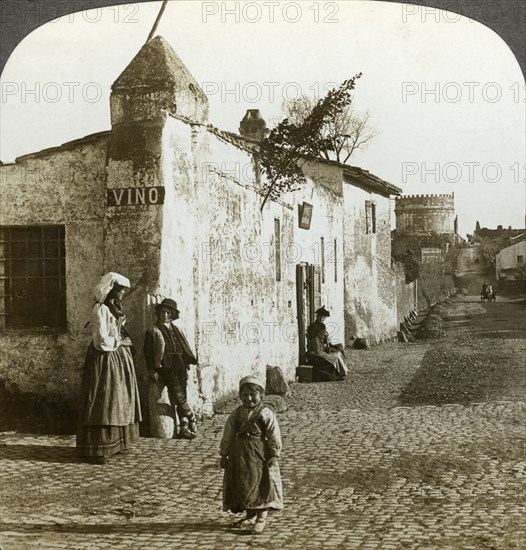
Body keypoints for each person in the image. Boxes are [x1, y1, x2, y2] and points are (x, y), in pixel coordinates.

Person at [76, 272, 142, 464]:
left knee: (118, 398)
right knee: (103, 399)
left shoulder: (115, 308)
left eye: (122, 289)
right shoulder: (100, 309)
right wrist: (120, 342)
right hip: (104, 358)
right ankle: (97, 447)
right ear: (111, 289)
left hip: (118, 358)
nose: (122, 292)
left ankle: (117, 443)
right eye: (119, 289)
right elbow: (100, 341)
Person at [220, 375, 283, 535]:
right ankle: (250, 515)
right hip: (239, 455)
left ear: (261, 395)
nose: (249, 398)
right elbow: (228, 434)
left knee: (261, 484)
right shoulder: (236, 414)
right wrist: (224, 454)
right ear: (240, 395)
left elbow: (273, 433)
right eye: (245, 395)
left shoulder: (265, 413)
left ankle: (261, 519)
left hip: (258, 454)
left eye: (253, 395)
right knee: (244, 484)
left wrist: (274, 453)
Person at [143, 298, 198, 439]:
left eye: (168, 312)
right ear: (158, 313)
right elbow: (148, 352)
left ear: (173, 314)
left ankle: (184, 427)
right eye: (163, 312)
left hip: (179, 365)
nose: (165, 315)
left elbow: (183, 347)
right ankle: (191, 416)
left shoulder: (176, 329)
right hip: (166, 366)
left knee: (182, 394)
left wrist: (186, 363)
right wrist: (152, 370)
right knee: (177, 392)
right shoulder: (153, 330)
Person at [306, 306, 347, 381]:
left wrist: (327, 343)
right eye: (320, 317)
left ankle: (341, 373)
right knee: (335, 357)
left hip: (323, 345)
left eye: (323, 317)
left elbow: (325, 337)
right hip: (316, 347)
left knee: (339, 352)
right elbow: (314, 340)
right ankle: (335, 375)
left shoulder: (323, 325)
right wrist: (322, 343)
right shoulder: (313, 326)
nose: (322, 319)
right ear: (318, 317)